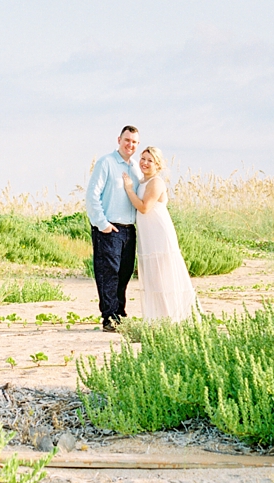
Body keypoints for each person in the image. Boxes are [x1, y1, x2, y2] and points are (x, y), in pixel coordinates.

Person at [122, 146, 199, 323]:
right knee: (153, 278)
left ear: (157, 165)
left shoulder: (156, 182)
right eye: (143, 158)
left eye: (150, 160)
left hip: (159, 234)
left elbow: (144, 207)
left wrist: (129, 190)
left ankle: (173, 318)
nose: (145, 163)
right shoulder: (141, 181)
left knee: (163, 276)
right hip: (147, 234)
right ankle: (158, 318)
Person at [85, 125, 141, 332]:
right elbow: (92, 196)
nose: (130, 145)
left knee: (124, 273)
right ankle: (109, 317)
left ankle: (120, 313)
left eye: (134, 142)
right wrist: (103, 224)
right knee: (108, 273)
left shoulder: (135, 167)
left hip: (129, 229)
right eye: (127, 140)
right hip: (109, 229)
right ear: (119, 140)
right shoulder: (106, 163)